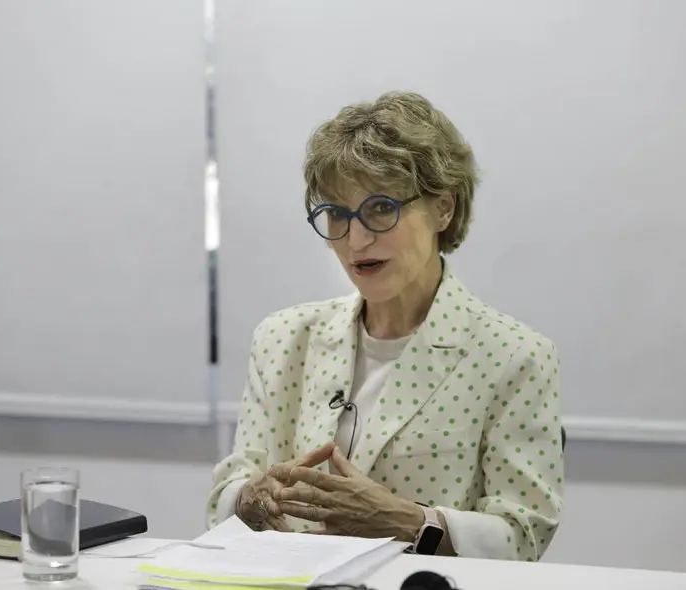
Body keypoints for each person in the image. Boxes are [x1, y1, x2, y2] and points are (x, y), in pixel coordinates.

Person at [206, 91, 564, 562]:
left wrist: (408, 522)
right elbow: (224, 499)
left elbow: (524, 536)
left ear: (444, 208)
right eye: (336, 214)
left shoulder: (513, 355)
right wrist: (252, 498)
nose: (356, 239)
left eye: (381, 208)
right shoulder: (283, 338)